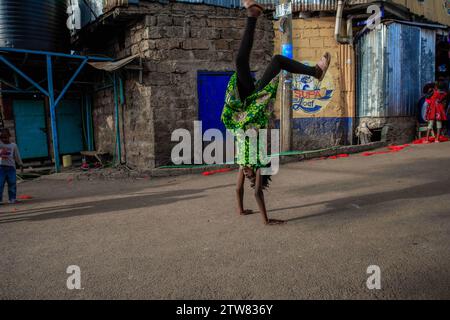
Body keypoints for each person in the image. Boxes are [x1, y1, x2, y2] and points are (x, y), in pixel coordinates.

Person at [221, 0, 331, 225]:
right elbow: (256, 193)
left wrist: (241, 210)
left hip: (241, 109)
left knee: (240, 62)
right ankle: (315, 72)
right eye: (252, 176)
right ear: (257, 176)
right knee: (278, 60)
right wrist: (266, 220)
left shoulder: (243, 163)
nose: (248, 174)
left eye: (249, 175)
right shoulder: (259, 161)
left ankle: (252, 15)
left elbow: (238, 189)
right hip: (254, 109)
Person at [0, 128, 23, 205]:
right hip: (1, 168)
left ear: (9, 136)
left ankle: (12, 199)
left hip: (11, 168)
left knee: (12, 183)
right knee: (0, 184)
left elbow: (17, 156)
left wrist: (20, 164)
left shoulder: (13, 145)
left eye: (5, 137)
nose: (4, 139)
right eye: (2, 137)